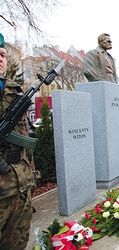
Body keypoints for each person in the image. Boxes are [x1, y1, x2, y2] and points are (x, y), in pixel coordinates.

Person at [0, 32, 36, 249]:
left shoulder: (14, 91)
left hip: (20, 188)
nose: (0, 59)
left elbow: (25, 141)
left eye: (2, 54)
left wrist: (31, 175)